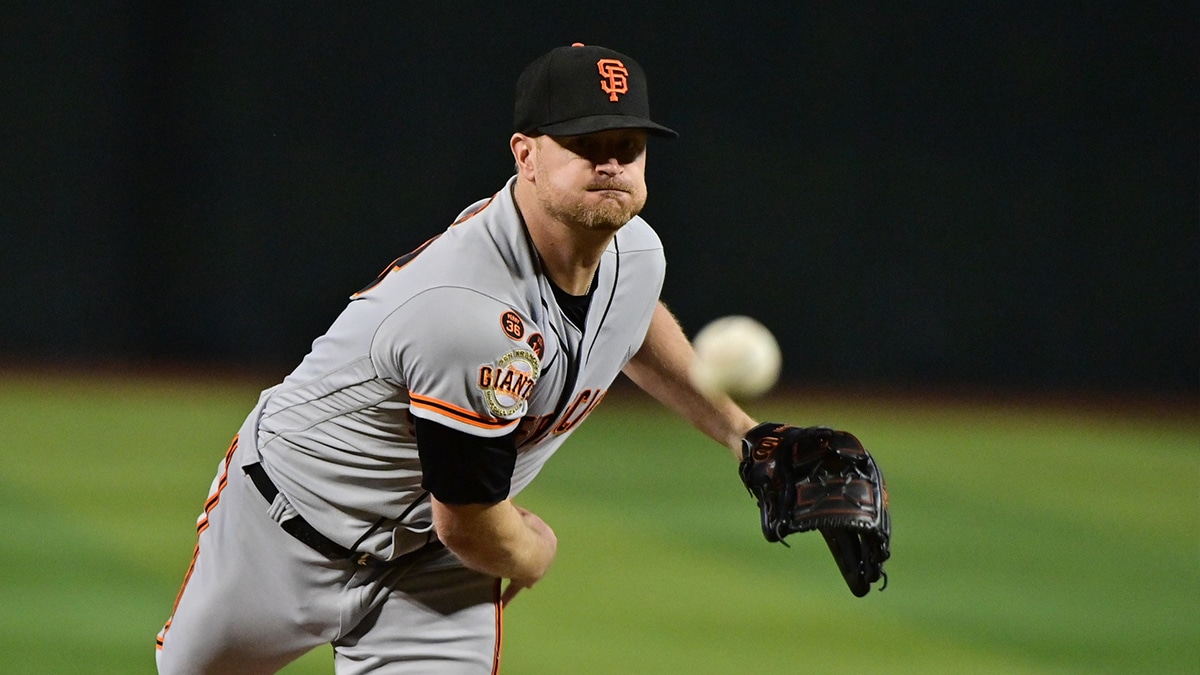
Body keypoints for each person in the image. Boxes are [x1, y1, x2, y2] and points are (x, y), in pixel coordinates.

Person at [156, 42, 759, 674]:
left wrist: (745, 435)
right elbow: (470, 522)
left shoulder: (635, 253)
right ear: (524, 154)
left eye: (628, 145)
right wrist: (530, 553)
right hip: (283, 532)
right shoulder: (466, 309)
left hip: (435, 571)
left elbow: (630, 321)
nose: (610, 162)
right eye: (586, 143)